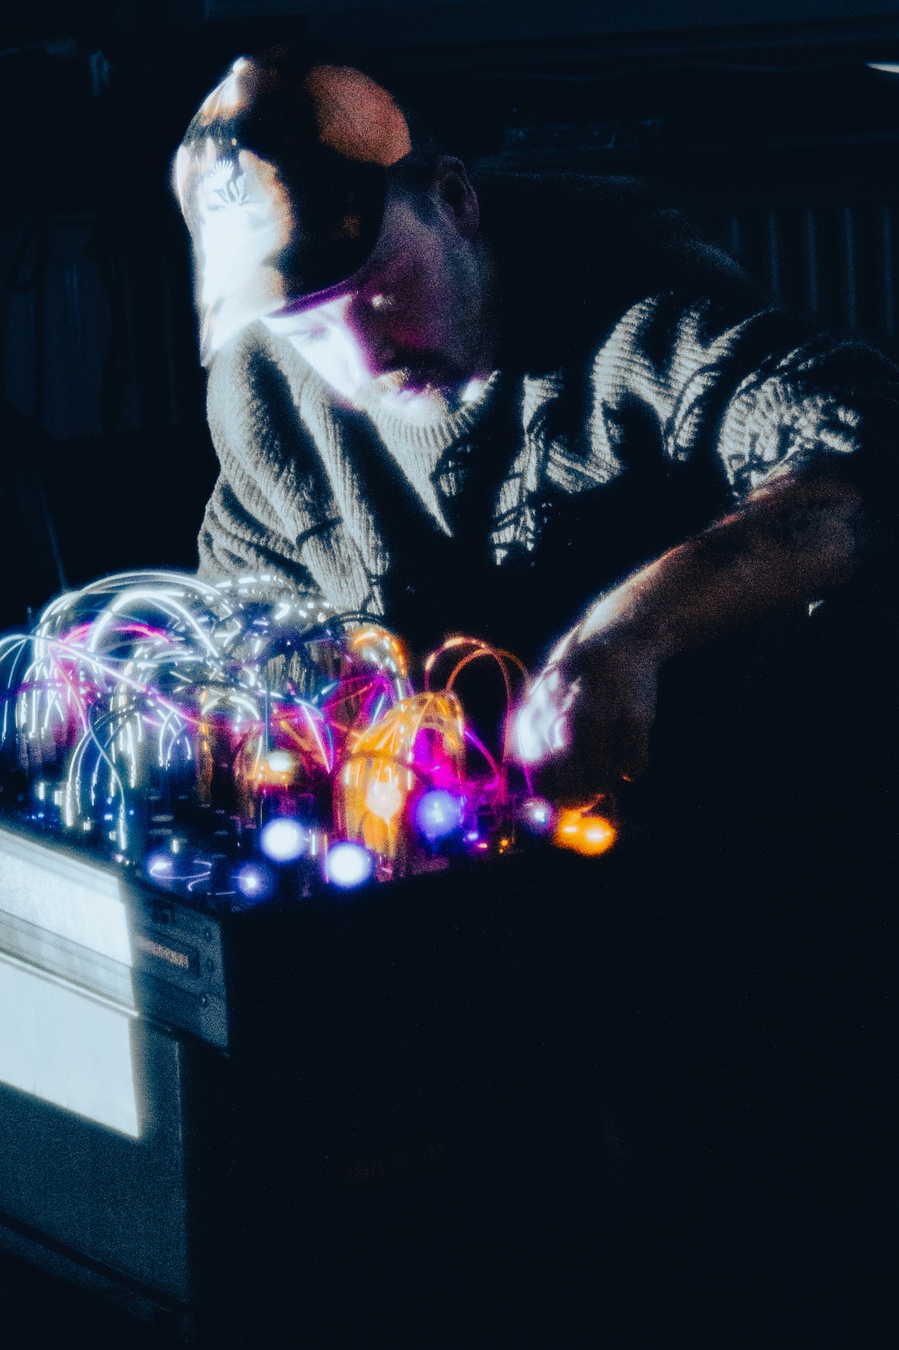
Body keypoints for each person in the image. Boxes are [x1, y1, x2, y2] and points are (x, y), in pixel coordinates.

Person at [173, 50, 895, 810]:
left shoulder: (632, 296)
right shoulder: (261, 386)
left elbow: (871, 451)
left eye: (381, 292)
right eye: (308, 331)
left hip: (723, 821)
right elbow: (244, 638)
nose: (363, 362)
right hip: (454, 851)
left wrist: (629, 632)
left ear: (454, 200)